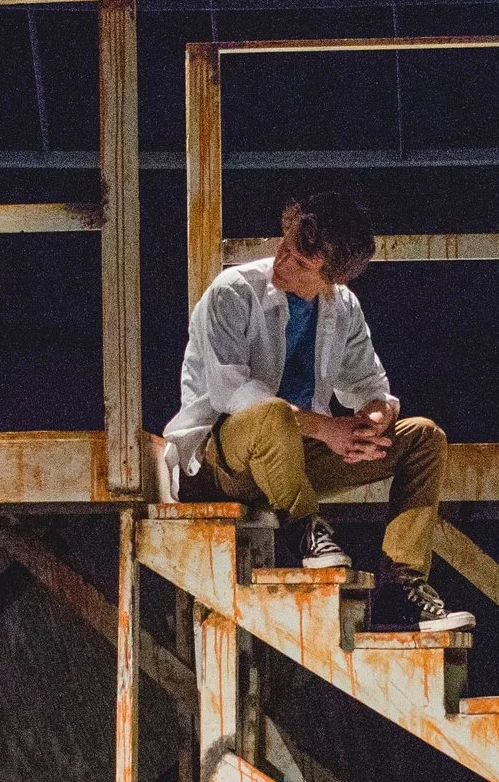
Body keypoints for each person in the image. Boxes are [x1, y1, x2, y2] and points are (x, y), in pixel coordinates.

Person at [161, 190, 474, 634]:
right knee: (270, 413)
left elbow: (369, 385)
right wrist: (327, 429)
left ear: (332, 278)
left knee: (423, 437)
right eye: (284, 243)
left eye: (300, 262)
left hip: (297, 459)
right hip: (223, 462)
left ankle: (401, 588)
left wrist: (375, 418)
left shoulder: (342, 307)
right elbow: (231, 392)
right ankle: (305, 527)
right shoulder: (233, 292)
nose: (281, 259)